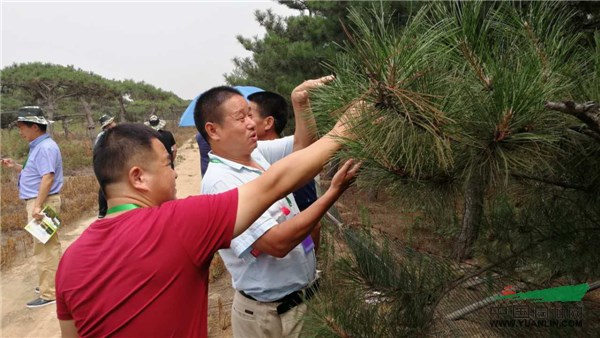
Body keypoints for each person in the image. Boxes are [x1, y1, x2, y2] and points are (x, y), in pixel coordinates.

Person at [55, 97, 359, 337]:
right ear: (139, 177)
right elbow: (276, 184)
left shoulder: (69, 262)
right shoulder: (179, 222)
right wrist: (345, 130)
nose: (174, 174)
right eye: (167, 165)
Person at [199, 76, 340, 338]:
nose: (252, 123)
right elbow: (276, 244)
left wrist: (301, 104)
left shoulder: (255, 153)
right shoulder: (221, 183)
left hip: (300, 300)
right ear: (213, 130)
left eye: (250, 115)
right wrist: (333, 193)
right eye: (241, 118)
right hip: (268, 318)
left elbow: (302, 147)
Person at [1, 106, 64, 308]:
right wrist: (16, 166)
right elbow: (36, 171)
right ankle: (52, 283)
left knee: (44, 248)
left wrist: (37, 206)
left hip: (42, 203)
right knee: (48, 246)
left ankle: (50, 293)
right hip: (41, 202)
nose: (20, 131)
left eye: (22, 127)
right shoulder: (39, 146)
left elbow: (48, 177)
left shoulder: (45, 147)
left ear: (34, 126)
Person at [248, 90, 322, 249]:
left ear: (268, 123)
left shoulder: (294, 165)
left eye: (249, 115)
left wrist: (308, 255)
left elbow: (312, 226)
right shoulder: (253, 156)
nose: (247, 123)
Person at [94, 114, 117, 219]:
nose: (114, 123)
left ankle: (104, 211)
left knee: (105, 186)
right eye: (112, 122)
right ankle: (104, 211)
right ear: (108, 125)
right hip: (109, 164)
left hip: (106, 164)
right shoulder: (106, 136)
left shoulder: (103, 136)